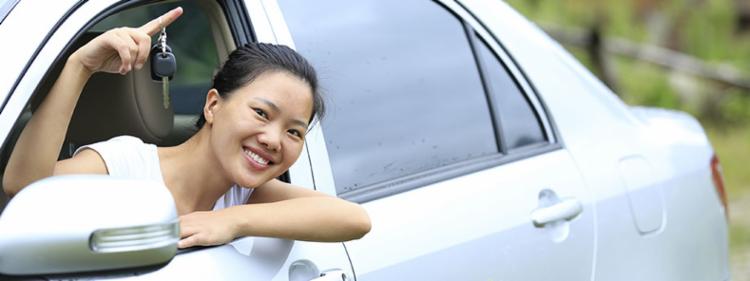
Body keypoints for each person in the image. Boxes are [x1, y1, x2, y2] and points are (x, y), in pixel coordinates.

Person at [2, 7, 371, 248]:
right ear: (213, 105)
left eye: (295, 131)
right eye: (261, 113)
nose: (274, 140)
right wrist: (79, 67)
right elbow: (24, 188)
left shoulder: (244, 195)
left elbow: (354, 218)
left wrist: (232, 222)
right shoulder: (128, 163)